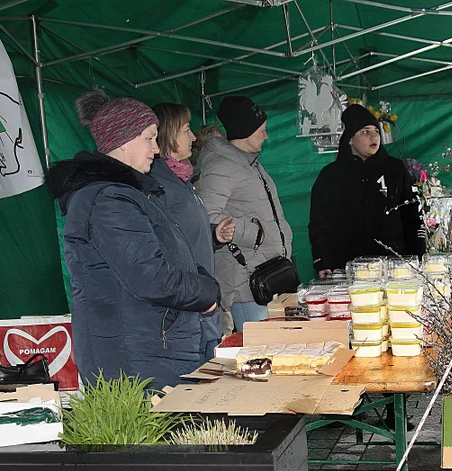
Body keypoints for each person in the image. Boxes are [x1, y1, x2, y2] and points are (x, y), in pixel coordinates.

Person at [46, 91, 219, 391]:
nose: (156, 148)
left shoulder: (128, 193)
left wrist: (201, 282)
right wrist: (206, 291)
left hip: (148, 352)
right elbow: (151, 277)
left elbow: (164, 258)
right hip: (133, 362)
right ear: (124, 142)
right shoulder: (108, 200)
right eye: (149, 138)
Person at [197, 96, 293, 331]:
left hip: (268, 272)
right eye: (262, 130)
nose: (266, 136)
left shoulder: (249, 162)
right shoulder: (221, 166)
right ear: (246, 131)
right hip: (246, 282)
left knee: (273, 347)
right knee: (261, 350)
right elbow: (206, 216)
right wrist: (253, 233)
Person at [150, 103, 235, 357]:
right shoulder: (158, 184)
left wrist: (213, 234)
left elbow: (184, 232)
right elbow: (164, 244)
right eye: (186, 130)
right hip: (187, 302)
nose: (193, 137)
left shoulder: (182, 178)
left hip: (201, 295)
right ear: (168, 135)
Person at [308, 103, 425, 277]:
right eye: (365, 132)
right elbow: (319, 224)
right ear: (349, 139)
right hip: (347, 269)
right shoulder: (330, 176)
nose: (373, 136)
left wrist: (418, 256)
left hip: (394, 268)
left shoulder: (395, 169)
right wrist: (322, 260)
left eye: (376, 131)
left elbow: (413, 215)